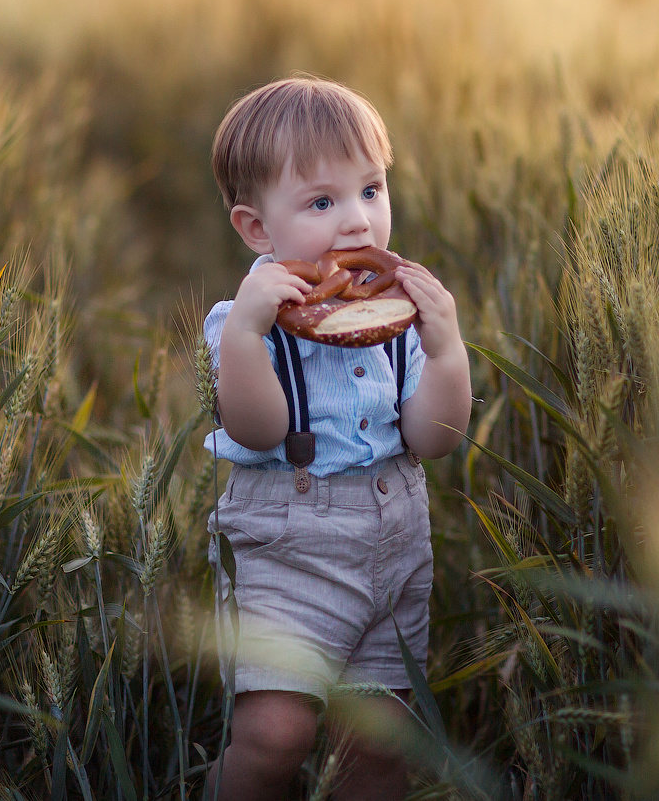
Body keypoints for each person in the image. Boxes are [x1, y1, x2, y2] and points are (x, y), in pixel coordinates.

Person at [202, 76, 472, 800]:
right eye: (322, 202)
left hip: (393, 542)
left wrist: (446, 351)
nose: (357, 222)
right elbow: (255, 427)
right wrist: (249, 334)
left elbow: (434, 437)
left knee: (377, 746)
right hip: (286, 546)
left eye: (372, 190)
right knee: (274, 734)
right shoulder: (238, 324)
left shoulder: (396, 317)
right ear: (258, 230)